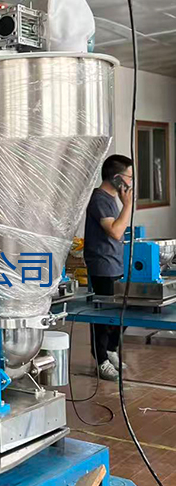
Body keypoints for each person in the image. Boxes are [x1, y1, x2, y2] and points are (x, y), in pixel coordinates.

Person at [83, 154, 134, 380]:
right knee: (103, 316)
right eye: (129, 177)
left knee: (125, 310)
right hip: (102, 265)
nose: (131, 182)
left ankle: (111, 348)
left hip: (116, 262)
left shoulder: (112, 198)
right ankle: (101, 359)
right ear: (117, 178)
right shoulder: (99, 199)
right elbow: (115, 231)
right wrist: (128, 205)